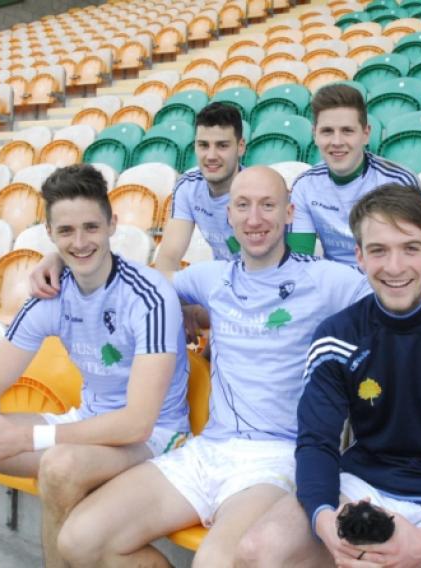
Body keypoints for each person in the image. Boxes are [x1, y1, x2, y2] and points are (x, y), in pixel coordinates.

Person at [41, 166, 373, 568]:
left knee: (213, 563)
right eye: (243, 206)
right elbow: (130, 284)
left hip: (277, 456)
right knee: (79, 540)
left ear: (289, 212)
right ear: (228, 215)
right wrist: (58, 259)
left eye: (268, 205)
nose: (255, 218)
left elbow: (403, 290)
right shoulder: (209, 278)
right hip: (208, 449)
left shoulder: (327, 279)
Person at [236, 183, 421, 568]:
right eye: (378, 250)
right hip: (363, 489)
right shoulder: (337, 336)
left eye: (410, 248)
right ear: (358, 256)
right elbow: (316, 445)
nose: (394, 267)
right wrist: (325, 521)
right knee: (258, 552)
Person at [0, 164, 189, 568]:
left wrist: (25, 439)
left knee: (60, 465)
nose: (80, 242)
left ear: (112, 224)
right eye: (66, 232)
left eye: (91, 227)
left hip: (154, 440)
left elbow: (137, 424)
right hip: (86, 423)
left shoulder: (149, 297)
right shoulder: (50, 293)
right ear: (50, 235)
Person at [289, 83, 421, 266]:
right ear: (315, 135)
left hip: (387, 284)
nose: (337, 142)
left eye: (347, 131)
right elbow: (299, 260)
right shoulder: (305, 186)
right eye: (327, 131)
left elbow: (413, 257)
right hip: (334, 286)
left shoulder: (399, 181)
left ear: (366, 134)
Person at [154, 101, 246, 272]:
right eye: (203, 145)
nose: (211, 156)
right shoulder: (188, 186)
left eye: (222, 146)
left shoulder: (258, 190)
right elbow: (168, 256)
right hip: (224, 281)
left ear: (240, 147)